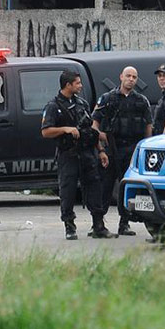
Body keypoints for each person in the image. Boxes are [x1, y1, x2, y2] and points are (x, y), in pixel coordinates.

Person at [40, 69, 115, 240]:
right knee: (68, 190)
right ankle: (69, 226)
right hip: (68, 155)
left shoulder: (81, 103)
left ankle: (98, 226)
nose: (81, 86)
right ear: (68, 85)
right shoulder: (53, 106)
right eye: (78, 83)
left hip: (87, 153)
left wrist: (101, 150)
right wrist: (65, 129)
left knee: (95, 187)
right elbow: (46, 131)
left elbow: (90, 130)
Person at [92, 66, 152, 236]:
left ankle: (124, 223)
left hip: (132, 149)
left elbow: (148, 126)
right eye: (128, 76)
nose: (131, 79)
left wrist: (144, 151)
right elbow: (94, 125)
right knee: (105, 187)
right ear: (121, 77)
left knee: (126, 188)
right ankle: (97, 224)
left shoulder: (141, 100)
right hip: (112, 148)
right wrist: (102, 146)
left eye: (134, 76)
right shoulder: (107, 99)